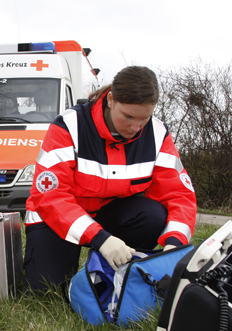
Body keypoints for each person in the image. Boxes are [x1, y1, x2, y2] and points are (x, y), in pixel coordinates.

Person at [23, 66, 197, 292]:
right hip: (57, 218)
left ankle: (117, 268)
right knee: (46, 291)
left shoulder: (157, 134)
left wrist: (174, 245)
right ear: (111, 100)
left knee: (153, 215)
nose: (136, 127)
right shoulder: (69, 126)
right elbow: (51, 197)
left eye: (144, 118)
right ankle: (92, 255)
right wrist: (100, 238)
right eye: (128, 117)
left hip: (113, 215)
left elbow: (178, 195)